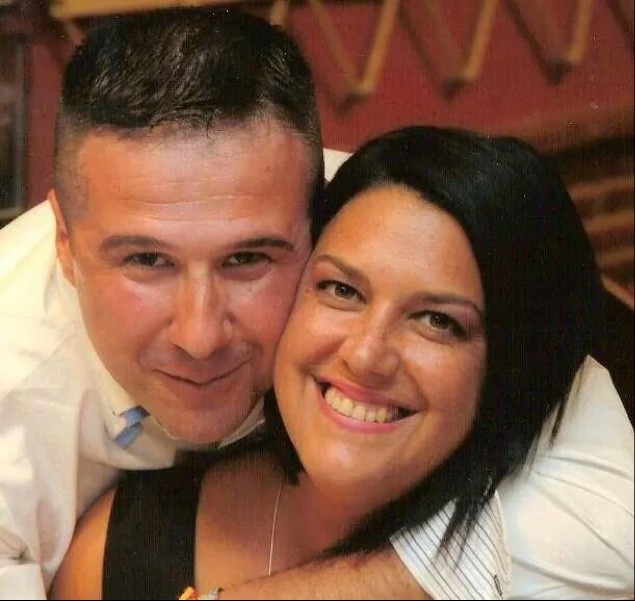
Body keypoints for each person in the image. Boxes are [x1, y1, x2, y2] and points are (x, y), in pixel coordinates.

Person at [0, 8, 631, 601]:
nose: (200, 335)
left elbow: (616, 511)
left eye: (248, 259)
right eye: (146, 261)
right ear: (64, 241)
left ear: (319, 217)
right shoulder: (15, 384)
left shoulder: (384, 224)